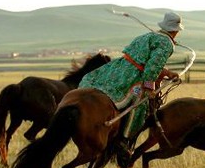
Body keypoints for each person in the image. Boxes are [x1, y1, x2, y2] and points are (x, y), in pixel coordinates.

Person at [78, 11, 183, 152]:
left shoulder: (149, 36)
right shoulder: (166, 43)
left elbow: (147, 60)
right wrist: (148, 88)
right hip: (133, 76)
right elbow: (152, 68)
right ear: (175, 30)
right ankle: (124, 139)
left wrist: (168, 73)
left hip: (120, 67)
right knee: (140, 107)